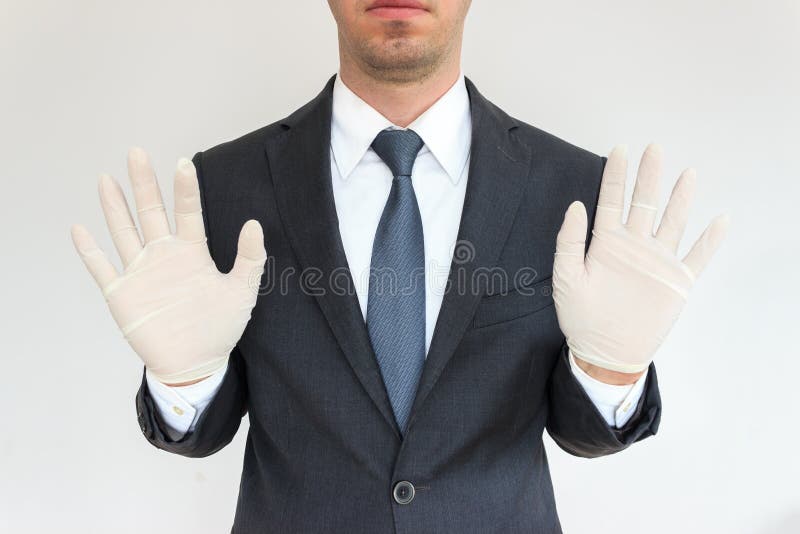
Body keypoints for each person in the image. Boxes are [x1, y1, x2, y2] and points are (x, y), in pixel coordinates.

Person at [70, 1, 729, 532]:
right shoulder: (224, 186)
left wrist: (613, 370)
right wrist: (183, 380)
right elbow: (203, 435)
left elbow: (578, 433)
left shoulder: (574, 190)